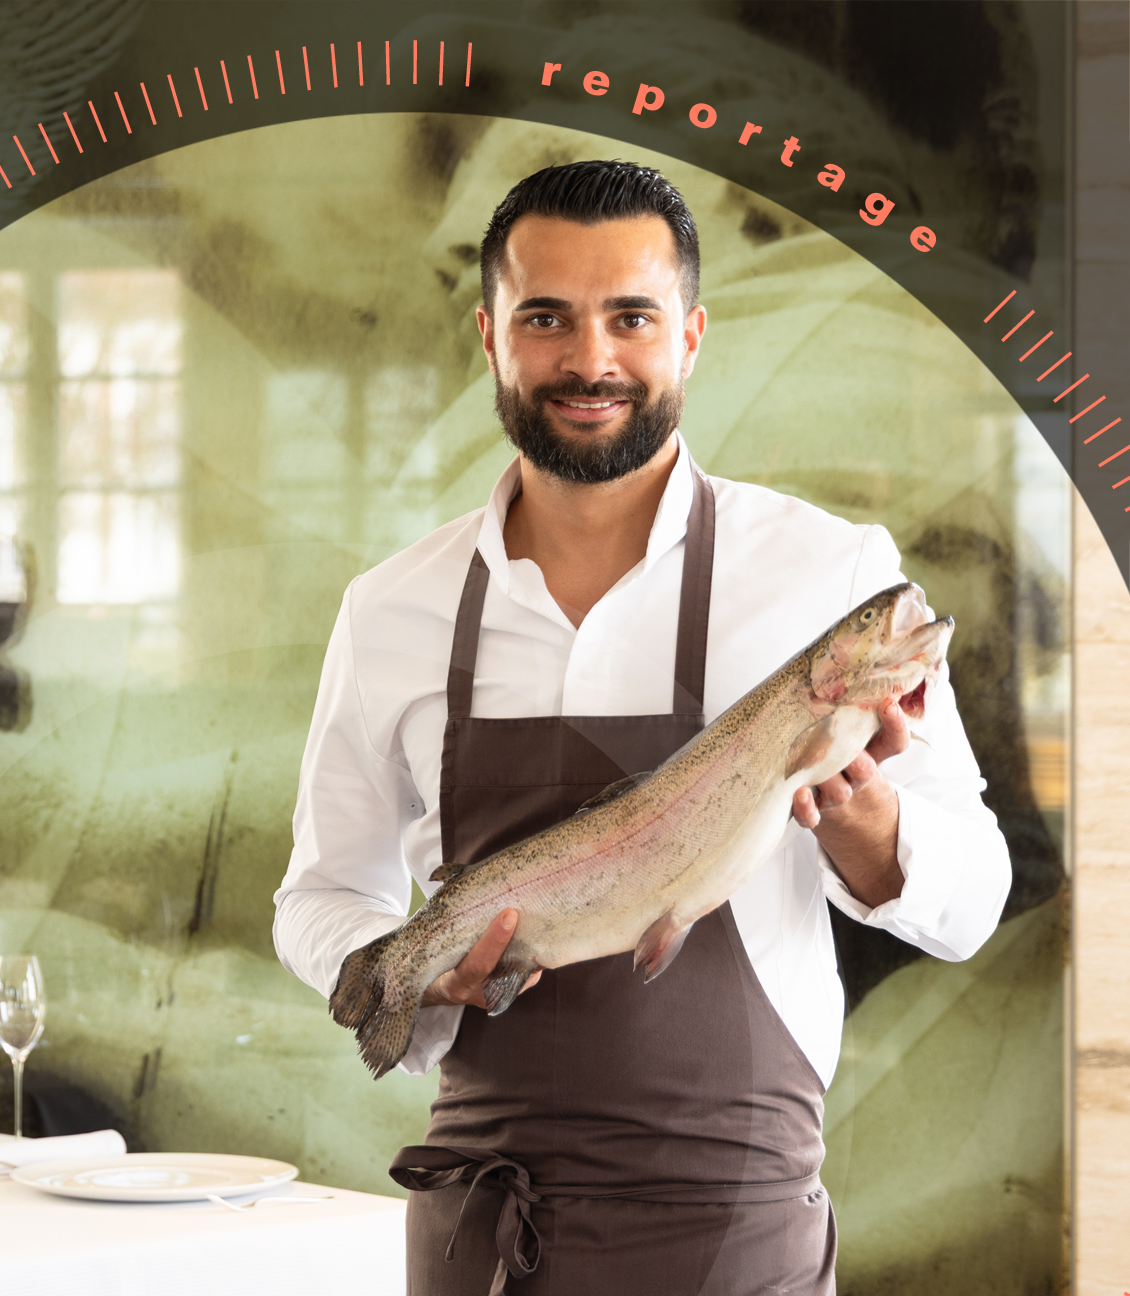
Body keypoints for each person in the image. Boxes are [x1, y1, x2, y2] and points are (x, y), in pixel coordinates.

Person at [273, 160, 1011, 1296]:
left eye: (632, 317)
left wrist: (867, 828)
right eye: (546, 319)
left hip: (736, 1232)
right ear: (489, 336)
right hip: (482, 1223)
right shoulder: (391, 611)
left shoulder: (829, 574)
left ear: (692, 335)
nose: (592, 360)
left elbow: (974, 900)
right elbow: (320, 899)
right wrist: (423, 980)